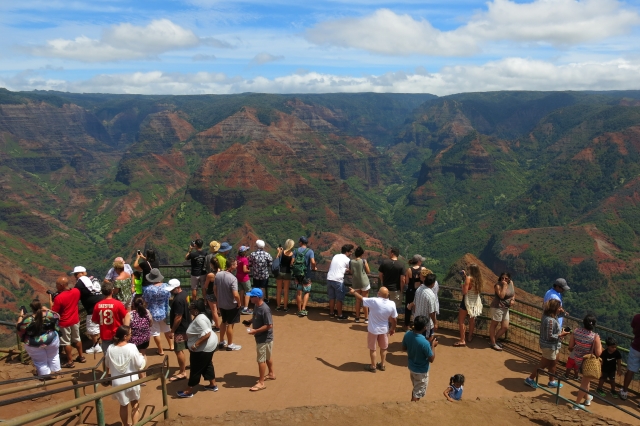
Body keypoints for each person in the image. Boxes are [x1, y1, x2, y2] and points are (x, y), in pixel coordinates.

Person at [349, 286, 397, 372]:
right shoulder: (392, 304)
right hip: (384, 330)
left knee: (373, 348)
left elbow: (362, 298)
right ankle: (382, 365)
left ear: (379, 294)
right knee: (383, 348)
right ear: (388, 295)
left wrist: (354, 292)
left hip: (373, 329)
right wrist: (393, 328)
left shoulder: (374, 301)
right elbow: (394, 319)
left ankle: (373, 366)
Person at [177, 299, 219, 397]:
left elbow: (207, 333)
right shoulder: (202, 315)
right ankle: (213, 385)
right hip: (210, 346)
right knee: (207, 364)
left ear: (196, 310)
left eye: (191, 309)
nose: (190, 310)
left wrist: (196, 345)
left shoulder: (200, 319)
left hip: (203, 348)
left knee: (196, 368)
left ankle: (189, 390)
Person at [525, 299, 570, 389]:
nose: (561, 309)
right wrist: (561, 334)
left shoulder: (551, 315)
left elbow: (564, 315)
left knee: (553, 363)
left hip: (553, 345)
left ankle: (551, 381)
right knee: (543, 365)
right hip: (549, 346)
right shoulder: (550, 320)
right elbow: (549, 336)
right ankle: (530, 379)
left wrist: (563, 311)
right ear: (554, 309)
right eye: (559, 307)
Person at [105, 326, 146, 425]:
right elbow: (139, 364)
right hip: (131, 381)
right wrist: (143, 358)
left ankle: (125, 425)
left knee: (123, 405)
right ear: (124, 336)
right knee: (135, 403)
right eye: (130, 334)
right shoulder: (132, 347)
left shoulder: (110, 348)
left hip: (117, 382)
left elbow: (107, 364)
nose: (131, 335)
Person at [16, 299, 61, 377]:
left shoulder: (28, 319)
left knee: (40, 362)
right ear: (41, 307)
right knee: (54, 356)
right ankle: (57, 373)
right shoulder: (48, 314)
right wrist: (47, 310)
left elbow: (19, 327)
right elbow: (58, 316)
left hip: (34, 343)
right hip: (51, 339)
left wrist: (21, 316)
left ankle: (45, 377)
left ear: (32, 309)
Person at [51, 276, 84, 368]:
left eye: (57, 285)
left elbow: (54, 312)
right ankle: (81, 356)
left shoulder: (58, 298)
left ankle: (70, 361)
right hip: (75, 319)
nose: (56, 286)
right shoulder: (76, 291)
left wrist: (51, 302)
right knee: (77, 338)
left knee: (66, 342)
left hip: (64, 322)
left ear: (61, 285)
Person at [570, 314, 602, 410]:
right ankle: (576, 404)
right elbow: (598, 353)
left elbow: (571, 346)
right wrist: (599, 342)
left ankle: (587, 398)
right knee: (584, 383)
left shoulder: (575, 331)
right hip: (587, 362)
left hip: (578, 360)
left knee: (586, 379)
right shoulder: (595, 337)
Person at [402, 315, 436, 401]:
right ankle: (412, 408)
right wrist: (433, 346)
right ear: (424, 327)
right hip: (421, 371)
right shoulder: (425, 343)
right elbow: (431, 359)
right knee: (417, 393)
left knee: (416, 389)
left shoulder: (407, 334)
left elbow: (403, 348)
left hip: (412, 368)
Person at [247, 289, 275, 392]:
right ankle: (271, 374)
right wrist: (250, 321)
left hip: (264, 338)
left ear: (257, 297)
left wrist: (255, 331)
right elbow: (256, 317)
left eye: (252, 296)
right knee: (267, 356)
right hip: (262, 338)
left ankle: (261, 382)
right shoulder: (256, 306)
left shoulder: (265, 309)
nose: (250, 298)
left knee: (261, 360)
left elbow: (269, 325)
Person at [92, 281, 131, 353]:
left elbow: (94, 320)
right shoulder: (118, 304)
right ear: (112, 291)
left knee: (107, 357)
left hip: (104, 334)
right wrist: (125, 330)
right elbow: (127, 315)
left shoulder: (97, 305)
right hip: (117, 334)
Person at [73, 266, 103, 355]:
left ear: (83, 273)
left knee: (92, 327)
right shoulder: (94, 278)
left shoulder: (80, 283)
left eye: (76, 274)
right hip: (102, 303)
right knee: (101, 324)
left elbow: (75, 294)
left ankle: (96, 346)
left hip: (92, 308)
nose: (76, 276)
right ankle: (104, 342)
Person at [142, 268, 172, 355]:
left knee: (155, 332)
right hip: (164, 311)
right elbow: (169, 297)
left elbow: (145, 301)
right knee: (166, 329)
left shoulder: (148, 289)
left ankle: (160, 350)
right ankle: (171, 346)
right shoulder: (166, 286)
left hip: (153, 312)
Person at [215, 257, 242, 351]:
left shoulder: (218, 275)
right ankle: (230, 344)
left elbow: (215, 289)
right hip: (231, 305)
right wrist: (239, 303)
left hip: (221, 304)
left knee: (223, 321)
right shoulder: (233, 278)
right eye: (235, 264)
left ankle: (221, 341)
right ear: (232, 266)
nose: (237, 265)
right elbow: (235, 294)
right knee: (230, 324)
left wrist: (218, 298)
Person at [167, 279, 190, 382]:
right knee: (190, 347)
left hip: (180, 329)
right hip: (188, 325)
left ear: (177, 288)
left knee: (178, 350)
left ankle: (182, 372)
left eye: (172, 289)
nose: (171, 291)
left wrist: (172, 331)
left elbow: (178, 317)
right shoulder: (184, 293)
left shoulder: (177, 300)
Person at [454, 264, 483, 347]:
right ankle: (470, 337)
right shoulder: (479, 279)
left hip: (466, 302)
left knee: (461, 321)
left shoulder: (468, 278)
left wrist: (463, 282)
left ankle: (462, 340)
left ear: (471, 270)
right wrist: (465, 277)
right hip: (475, 302)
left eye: (469, 269)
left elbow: (464, 292)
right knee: (472, 320)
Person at [489, 272, 516, 351]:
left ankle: (494, 340)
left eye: (506, 278)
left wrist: (513, 299)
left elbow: (513, 293)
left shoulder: (511, 283)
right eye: (502, 278)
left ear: (509, 279)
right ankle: (493, 343)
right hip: (497, 307)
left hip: (506, 308)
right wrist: (504, 285)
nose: (504, 279)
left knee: (505, 327)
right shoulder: (497, 285)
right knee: (494, 325)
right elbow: (501, 296)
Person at [326, 244, 354, 320]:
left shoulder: (336, 256)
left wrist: (345, 269)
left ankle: (331, 313)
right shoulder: (347, 260)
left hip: (329, 278)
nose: (351, 253)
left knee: (332, 297)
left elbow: (339, 267)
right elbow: (351, 271)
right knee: (339, 299)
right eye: (350, 252)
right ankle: (340, 315)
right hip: (338, 280)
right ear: (347, 252)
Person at [408, 273, 438, 342]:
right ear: (433, 284)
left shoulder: (419, 289)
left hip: (417, 319)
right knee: (427, 339)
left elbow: (414, 304)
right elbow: (431, 313)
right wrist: (435, 323)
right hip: (426, 323)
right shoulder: (431, 295)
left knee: (417, 337)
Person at [129, 295, 152, 380]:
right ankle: (144, 373)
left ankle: (141, 376)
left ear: (133, 304)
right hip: (145, 337)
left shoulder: (130, 314)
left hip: (133, 340)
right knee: (143, 354)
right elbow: (151, 323)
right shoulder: (147, 312)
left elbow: (126, 327)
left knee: (135, 356)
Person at [619, 313, 639, 401]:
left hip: (636, 347)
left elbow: (634, 331)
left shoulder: (637, 317)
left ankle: (624, 392)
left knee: (630, 370)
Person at [378, 247, 405, 313]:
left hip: (385, 289)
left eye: (389, 253)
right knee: (394, 308)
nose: (388, 254)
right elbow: (402, 280)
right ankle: (392, 322)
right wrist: (401, 290)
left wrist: (383, 282)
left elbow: (380, 275)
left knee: (383, 306)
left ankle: (385, 321)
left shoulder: (384, 262)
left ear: (392, 254)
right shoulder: (401, 265)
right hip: (396, 289)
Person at [403, 255, 425, 331]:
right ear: (418, 261)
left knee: (408, 307)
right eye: (421, 260)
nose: (421, 262)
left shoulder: (409, 270)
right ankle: (417, 325)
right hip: (420, 292)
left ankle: (406, 325)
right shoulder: (423, 269)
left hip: (410, 291)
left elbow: (406, 282)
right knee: (418, 308)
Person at [350, 246, 371, 323]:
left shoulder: (351, 262)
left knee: (358, 301)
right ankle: (366, 318)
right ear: (362, 254)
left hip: (356, 282)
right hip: (364, 282)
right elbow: (368, 271)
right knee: (365, 300)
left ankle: (357, 318)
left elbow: (351, 272)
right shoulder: (363, 261)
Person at [274, 240, 294, 312]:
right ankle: (285, 307)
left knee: (279, 290)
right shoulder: (292, 254)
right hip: (287, 273)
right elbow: (292, 264)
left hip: (279, 272)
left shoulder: (282, 252)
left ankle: (278, 306)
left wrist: (279, 251)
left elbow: (277, 259)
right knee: (286, 291)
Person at [203, 256, 221, 331]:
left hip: (211, 293)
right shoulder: (221, 272)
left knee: (214, 311)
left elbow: (206, 285)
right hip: (220, 293)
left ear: (211, 264)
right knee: (219, 309)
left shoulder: (210, 275)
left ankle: (217, 326)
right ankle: (221, 324)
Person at [237, 245, 252, 315]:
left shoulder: (238, 258)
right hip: (244, 278)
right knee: (248, 292)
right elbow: (244, 270)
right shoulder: (245, 260)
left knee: (241, 291)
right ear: (244, 252)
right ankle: (246, 308)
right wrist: (249, 270)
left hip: (238, 277)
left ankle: (241, 306)